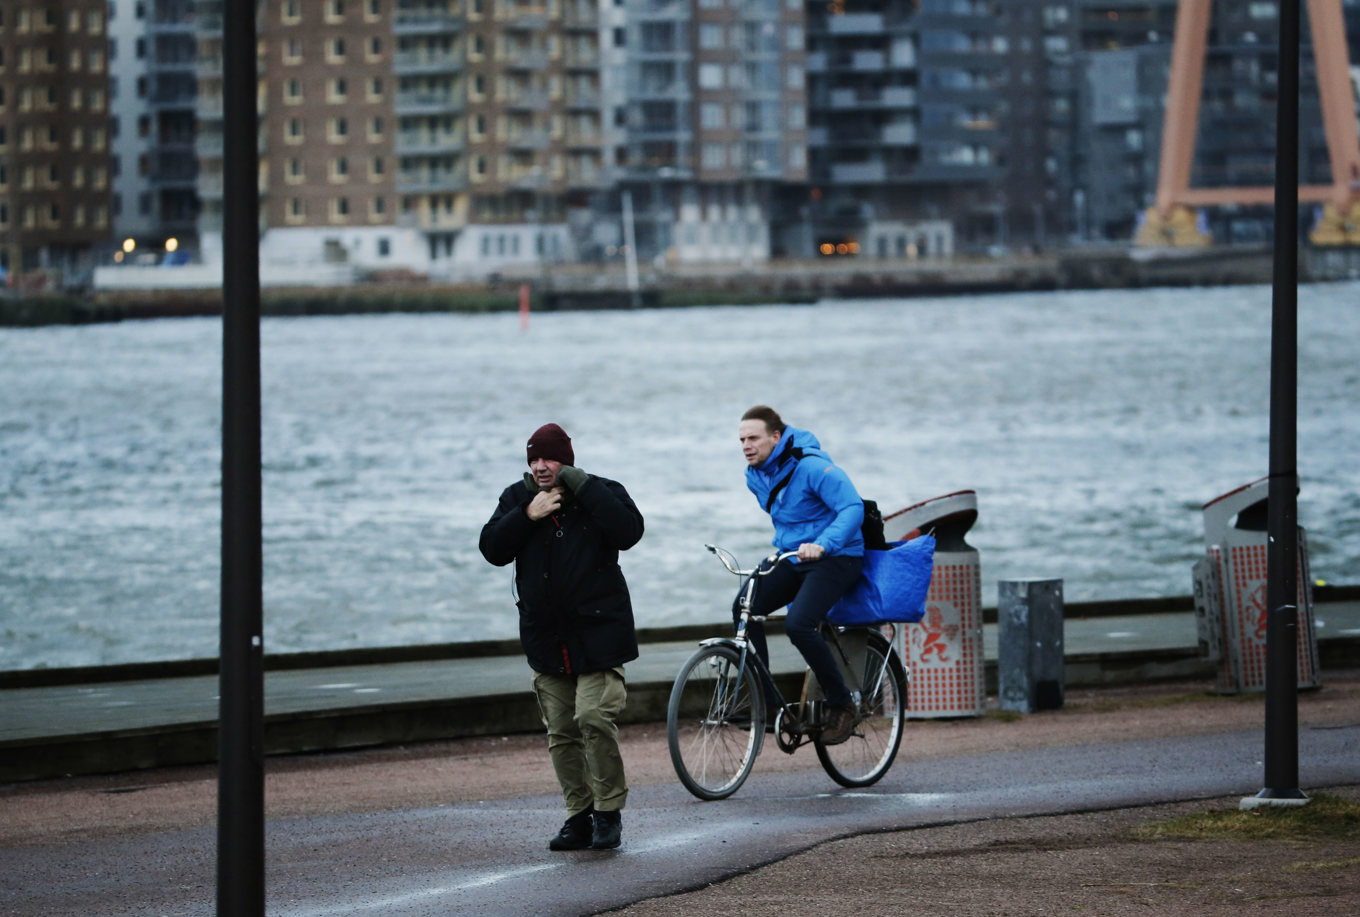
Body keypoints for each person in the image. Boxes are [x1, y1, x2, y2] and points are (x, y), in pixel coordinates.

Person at [479, 422, 645, 851]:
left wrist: (583, 487)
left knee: (592, 717)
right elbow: (492, 549)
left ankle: (608, 812)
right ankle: (579, 816)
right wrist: (526, 515)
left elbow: (629, 532)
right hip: (545, 637)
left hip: (599, 633)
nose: (540, 466)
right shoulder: (517, 498)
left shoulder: (602, 491)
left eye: (548, 458)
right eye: (533, 459)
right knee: (561, 731)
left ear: (566, 460)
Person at [736, 405, 864, 744]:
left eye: (754, 438)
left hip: (837, 555)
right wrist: (788, 548)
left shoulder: (812, 467)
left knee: (798, 625)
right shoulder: (756, 475)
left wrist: (824, 544)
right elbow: (791, 519)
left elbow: (853, 507)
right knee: (745, 609)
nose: (747, 445)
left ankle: (842, 704)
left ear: (776, 437)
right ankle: (762, 702)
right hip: (793, 556)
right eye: (742, 440)